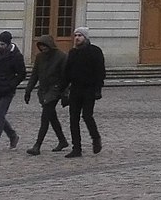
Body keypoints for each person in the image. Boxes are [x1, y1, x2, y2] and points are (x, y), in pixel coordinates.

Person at [63, 25, 106, 157]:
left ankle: (95, 138)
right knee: (73, 119)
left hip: (89, 89)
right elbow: (67, 73)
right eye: (75, 36)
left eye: (80, 36)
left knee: (87, 116)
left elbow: (100, 72)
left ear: (85, 37)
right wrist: (64, 90)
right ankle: (77, 148)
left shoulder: (95, 51)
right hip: (75, 89)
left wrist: (98, 89)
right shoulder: (72, 53)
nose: (77, 38)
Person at [23, 34, 69, 154]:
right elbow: (34, 75)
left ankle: (37, 145)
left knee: (45, 117)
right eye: (41, 46)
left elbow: (66, 76)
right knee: (51, 116)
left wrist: (63, 92)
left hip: (55, 90)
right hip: (43, 91)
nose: (43, 48)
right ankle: (62, 140)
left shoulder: (61, 57)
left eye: (45, 46)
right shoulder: (39, 57)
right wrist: (28, 90)